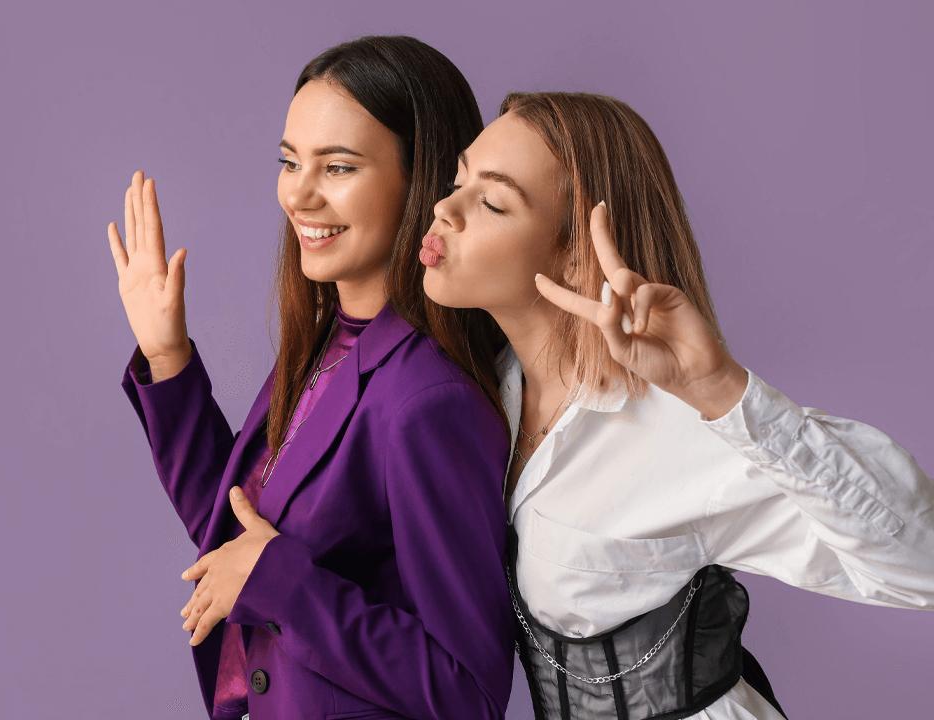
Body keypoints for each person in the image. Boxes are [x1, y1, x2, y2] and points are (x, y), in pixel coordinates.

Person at [419, 91, 934, 719]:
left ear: (578, 252)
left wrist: (720, 388)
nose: (445, 208)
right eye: (458, 180)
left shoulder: (675, 424)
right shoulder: (480, 396)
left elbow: (921, 567)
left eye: (493, 201)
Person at [107, 37, 515, 719]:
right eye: (290, 161)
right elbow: (234, 528)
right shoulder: (331, 344)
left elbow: (466, 692)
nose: (298, 193)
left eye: (339, 167)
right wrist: (168, 354)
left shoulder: (427, 399)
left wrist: (281, 583)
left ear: (423, 182)